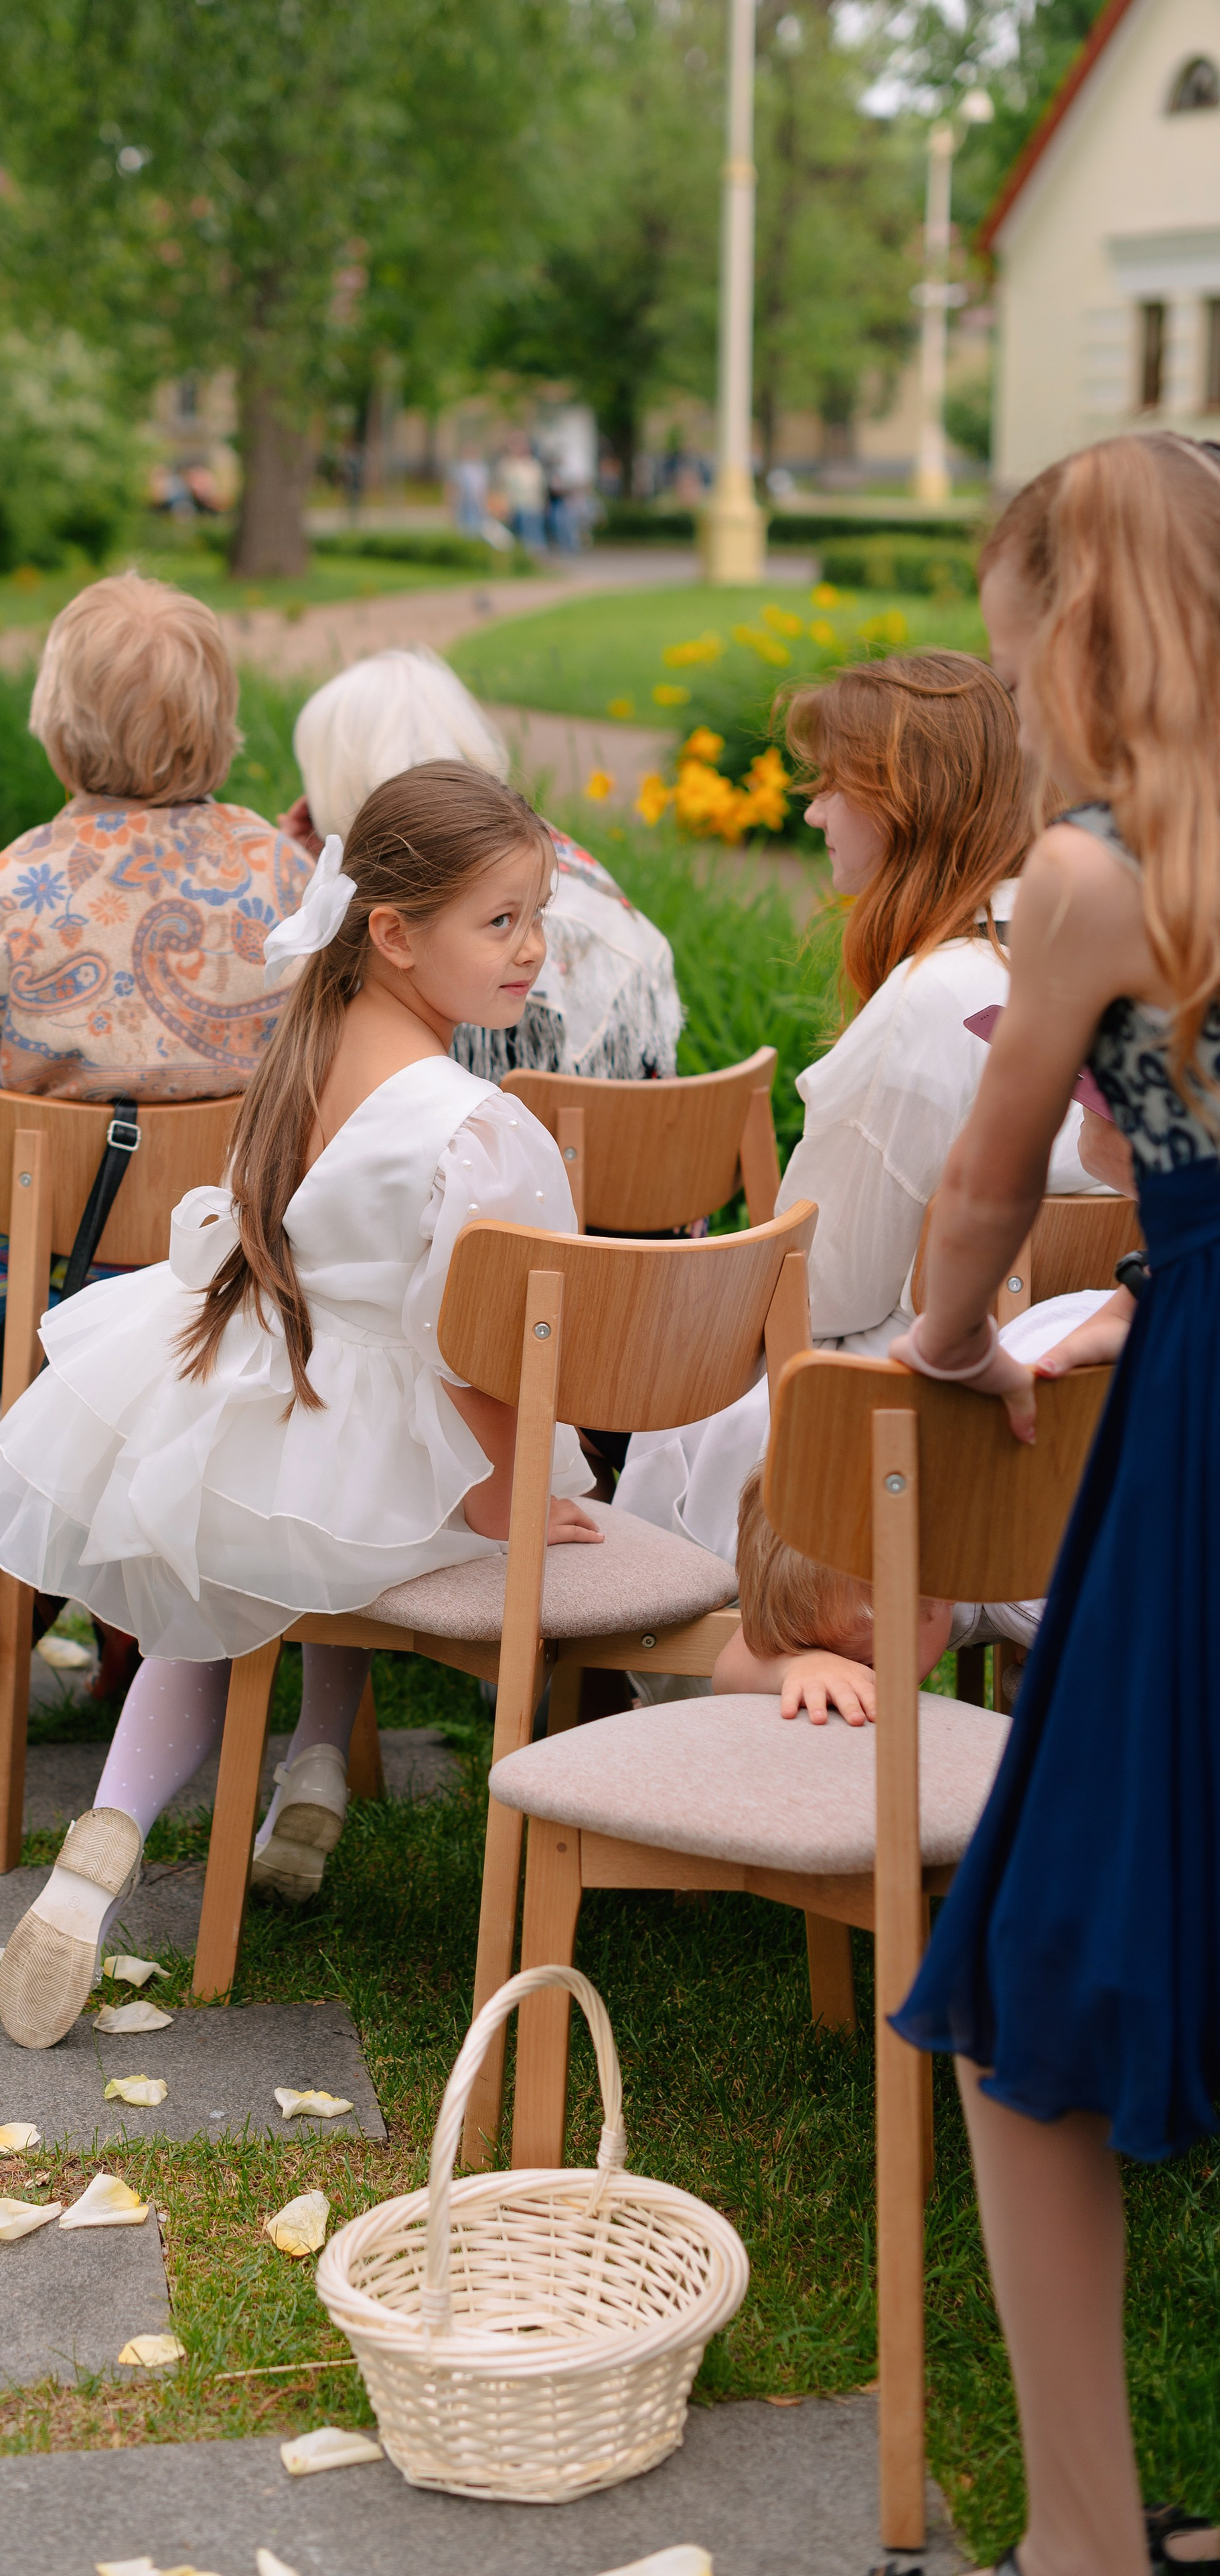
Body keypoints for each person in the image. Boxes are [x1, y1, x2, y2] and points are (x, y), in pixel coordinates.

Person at [0, 761, 601, 2047]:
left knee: (239, 1569)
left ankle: (112, 1839)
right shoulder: (476, 1127)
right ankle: (311, 1759)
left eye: (539, 918)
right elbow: (491, 1362)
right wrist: (510, 1490)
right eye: (502, 922)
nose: (533, 950)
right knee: (363, 1505)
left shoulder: (300, 1050)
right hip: (387, 1421)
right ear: (395, 932)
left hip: (255, 1377)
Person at [890, 432, 1220, 2576]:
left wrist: (953, 1349)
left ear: (1069, 634)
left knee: (1043, 1973)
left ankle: (1078, 2541)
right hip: (1183, 1324)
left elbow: (983, 1185)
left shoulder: (1094, 873)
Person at [0, 570, 310, 1617]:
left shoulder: (2, 898)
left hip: (40, 1320)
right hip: (247, 1301)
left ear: (57, 725)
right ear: (222, 723)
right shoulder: (290, 883)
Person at [616, 650, 1107, 1562]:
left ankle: (629, 1676)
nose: (813, 813)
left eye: (829, 788)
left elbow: (825, 1282)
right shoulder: (1092, 955)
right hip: (1087, 1429)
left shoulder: (932, 1002)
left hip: (916, 1436)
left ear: (898, 802)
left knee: (680, 1429)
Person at [279, 646, 683, 1082]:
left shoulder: (426, 944)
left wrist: (299, 872)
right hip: (644, 1119)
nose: (534, 948)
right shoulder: (536, 847)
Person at [712, 1462, 1037, 1724]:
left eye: (870, 1663)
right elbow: (728, 1669)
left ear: (945, 1585)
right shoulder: (918, 1571)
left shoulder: (1035, 1599)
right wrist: (798, 1666)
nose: (855, 1675)